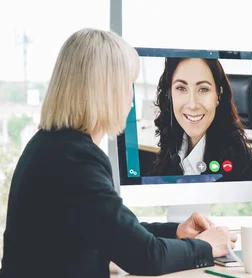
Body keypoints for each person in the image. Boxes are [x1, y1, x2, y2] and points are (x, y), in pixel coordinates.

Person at [0, 29, 237, 277]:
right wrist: (207, 247)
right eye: (127, 85)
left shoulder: (52, 146)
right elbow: (145, 256)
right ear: (107, 91)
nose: (131, 98)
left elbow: (117, 232)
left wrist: (176, 231)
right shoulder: (76, 160)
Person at [151, 57, 252, 180]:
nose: (192, 105)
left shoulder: (240, 162)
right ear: (169, 93)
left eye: (203, 89)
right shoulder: (172, 141)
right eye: (181, 88)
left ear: (218, 94)